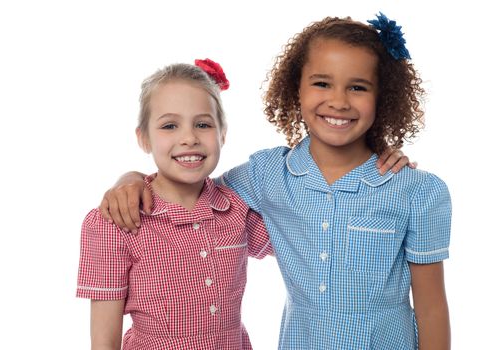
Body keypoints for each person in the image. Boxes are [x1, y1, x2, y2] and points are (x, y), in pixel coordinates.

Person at [101, 13, 451, 349]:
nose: (338, 101)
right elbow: (193, 186)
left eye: (358, 87)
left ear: (383, 97)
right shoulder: (267, 174)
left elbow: (432, 307)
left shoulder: (417, 191)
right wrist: (131, 178)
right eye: (322, 83)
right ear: (295, 88)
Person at [76, 59, 273, 349]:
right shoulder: (114, 221)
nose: (189, 138)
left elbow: (297, 246)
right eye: (170, 125)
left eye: (203, 124)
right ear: (144, 139)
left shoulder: (238, 210)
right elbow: (104, 342)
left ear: (223, 134)